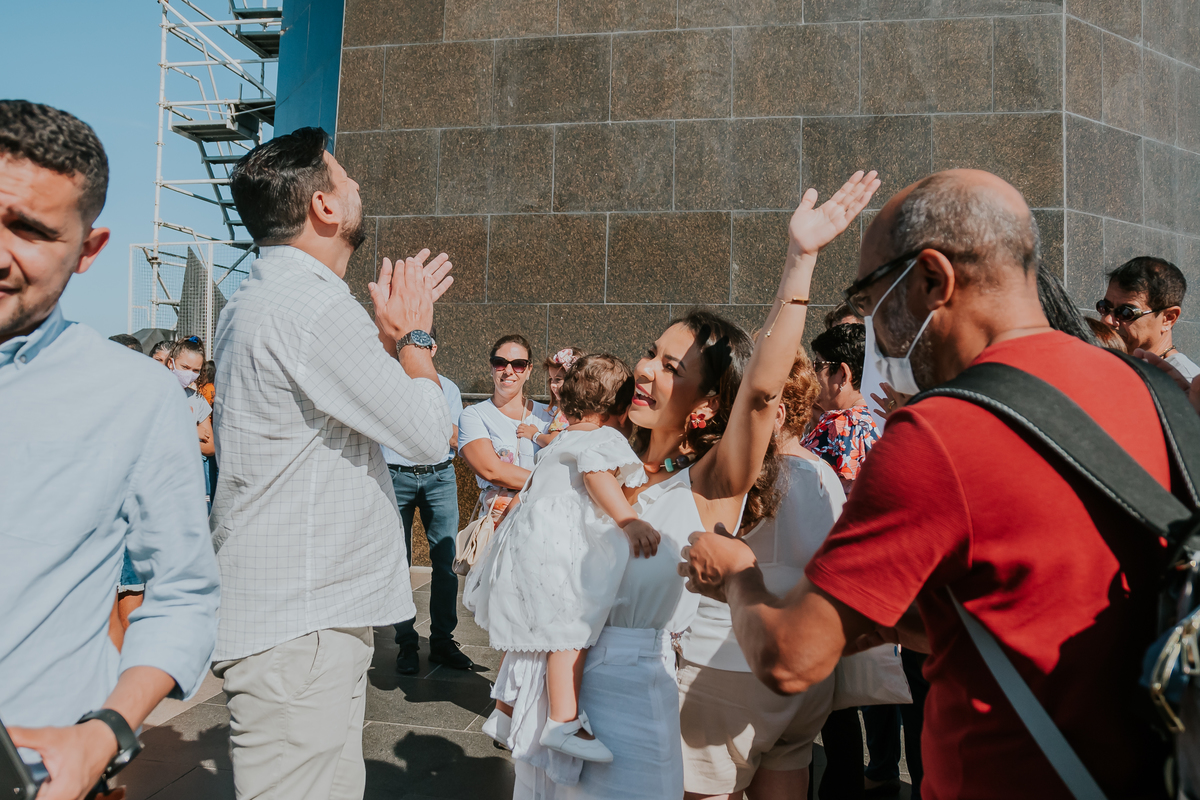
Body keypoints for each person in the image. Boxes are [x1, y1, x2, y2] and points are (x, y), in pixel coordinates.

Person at [682, 169, 1174, 800]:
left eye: (870, 302)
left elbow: (790, 658)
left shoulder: (940, 433)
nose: (873, 335)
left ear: (933, 281)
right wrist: (899, 621)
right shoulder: (1160, 395)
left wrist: (737, 573)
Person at [513, 170, 880, 799]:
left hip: (632, 711)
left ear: (707, 405)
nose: (645, 370)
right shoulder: (602, 459)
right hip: (551, 709)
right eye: (650, 353)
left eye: (670, 366)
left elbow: (760, 393)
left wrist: (800, 262)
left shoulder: (711, 484)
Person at [209, 126, 454, 800]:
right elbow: (428, 434)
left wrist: (384, 342)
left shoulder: (262, 298)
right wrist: (416, 337)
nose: (357, 188)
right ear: (323, 206)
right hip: (302, 622)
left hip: (297, 618)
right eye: (345, 180)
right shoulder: (314, 305)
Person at [0, 99, 219, 800]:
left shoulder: (135, 396)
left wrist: (106, 734)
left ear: (88, 251)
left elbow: (183, 591)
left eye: (30, 230)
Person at [467, 354, 659, 766]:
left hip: (526, 548)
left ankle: (504, 713)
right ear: (620, 408)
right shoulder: (604, 439)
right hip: (560, 551)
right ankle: (563, 721)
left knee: (528, 635)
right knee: (570, 633)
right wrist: (628, 520)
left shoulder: (562, 439)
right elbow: (597, 476)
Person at [678, 349, 846, 800]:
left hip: (724, 667)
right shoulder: (825, 476)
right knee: (789, 769)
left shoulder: (736, 479)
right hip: (804, 670)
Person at [385, 324, 471, 676]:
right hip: (395, 475)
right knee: (397, 561)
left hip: (439, 475)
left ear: (432, 349)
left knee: (446, 559)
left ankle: (442, 641)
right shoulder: (386, 382)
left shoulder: (447, 387)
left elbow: (454, 435)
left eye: (424, 344)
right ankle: (406, 641)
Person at [458, 334, 556, 524]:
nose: (508, 371)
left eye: (518, 364)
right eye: (500, 363)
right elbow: (491, 470)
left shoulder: (550, 415)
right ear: (491, 367)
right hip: (498, 521)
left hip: (546, 519)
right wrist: (553, 482)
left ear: (529, 370)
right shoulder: (474, 415)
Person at [802, 324, 880, 493]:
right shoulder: (881, 420)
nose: (812, 374)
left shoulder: (840, 426)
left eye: (818, 365)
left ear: (843, 373)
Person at [1098, 256, 1198, 379]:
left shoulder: (1185, 383)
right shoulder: (1108, 364)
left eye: (1125, 313)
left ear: (1168, 318)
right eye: (1104, 307)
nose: (1108, 320)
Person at [534, 345, 584, 448]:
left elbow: (552, 442)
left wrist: (534, 435)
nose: (552, 384)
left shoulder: (566, 411)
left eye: (558, 379)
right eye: (551, 379)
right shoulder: (588, 411)